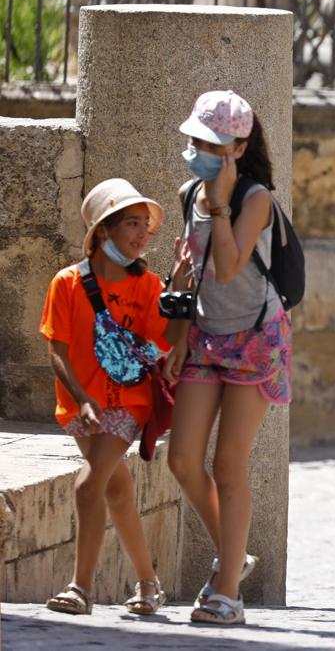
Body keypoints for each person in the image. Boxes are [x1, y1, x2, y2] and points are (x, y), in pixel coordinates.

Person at [164, 90, 292, 625]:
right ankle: (232, 558)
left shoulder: (255, 197)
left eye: (213, 141)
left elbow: (231, 263)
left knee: (228, 463)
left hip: (255, 338)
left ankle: (228, 595)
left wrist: (219, 203)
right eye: (197, 138)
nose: (199, 149)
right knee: (182, 459)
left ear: (239, 146)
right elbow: (193, 275)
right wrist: (175, 335)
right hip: (204, 337)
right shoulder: (187, 192)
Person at [41, 179, 177, 616]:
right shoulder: (66, 283)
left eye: (145, 225)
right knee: (115, 489)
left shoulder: (150, 286)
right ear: (103, 231)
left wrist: (184, 291)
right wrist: (81, 398)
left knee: (87, 485)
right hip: (82, 407)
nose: (142, 234)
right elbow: (56, 350)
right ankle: (149, 583)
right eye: (131, 223)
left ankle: (81, 588)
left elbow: (169, 341)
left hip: (128, 403)